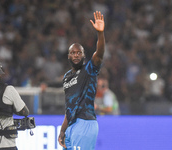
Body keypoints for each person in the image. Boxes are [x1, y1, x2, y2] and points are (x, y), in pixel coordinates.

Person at [58, 11, 105, 150]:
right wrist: (62, 130)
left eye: (79, 52)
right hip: (71, 127)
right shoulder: (66, 77)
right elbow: (69, 107)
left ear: (84, 56)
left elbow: (100, 55)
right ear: (68, 56)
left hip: (85, 123)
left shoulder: (89, 69)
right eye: (73, 52)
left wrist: (100, 34)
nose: (76, 54)